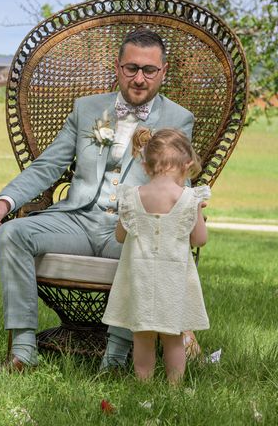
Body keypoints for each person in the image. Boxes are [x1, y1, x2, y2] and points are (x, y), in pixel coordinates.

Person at [0, 28, 195, 372]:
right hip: (76, 220)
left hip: (129, 228)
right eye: (131, 68)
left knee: (145, 248)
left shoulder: (178, 119)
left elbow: (176, 180)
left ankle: (115, 355)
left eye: (149, 70)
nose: (139, 78)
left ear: (163, 72)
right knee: (12, 234)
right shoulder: (87, 109)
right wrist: (6, 201)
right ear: (118, 67)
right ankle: (23, 351)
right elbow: (49, 164)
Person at [102, 128, 210, 384]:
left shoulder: (132, 196)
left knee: (143, 337)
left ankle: (144, 384)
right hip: (173, 283)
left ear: (145, 164)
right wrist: (197, 216)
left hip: (140, 281)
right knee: (172, 337)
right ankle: (174, 388)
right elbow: (199, 240)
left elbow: (120, 236)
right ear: (187, 164)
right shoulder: (188, 199)